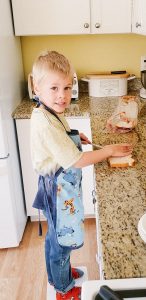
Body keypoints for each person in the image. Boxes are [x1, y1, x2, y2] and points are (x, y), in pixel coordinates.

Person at [30, 50, 133, 300]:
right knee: (61, 244)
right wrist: (108, 151)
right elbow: (76, 160)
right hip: (57, 191)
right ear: (36, 87)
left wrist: (76, 135)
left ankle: (59, 273)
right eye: (54, 88)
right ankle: (63, 289)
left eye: (67, 87)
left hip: (55, 187)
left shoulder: (47, 111)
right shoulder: (44, 120)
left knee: (57, 240)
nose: (62, 96)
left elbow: (61, 136)